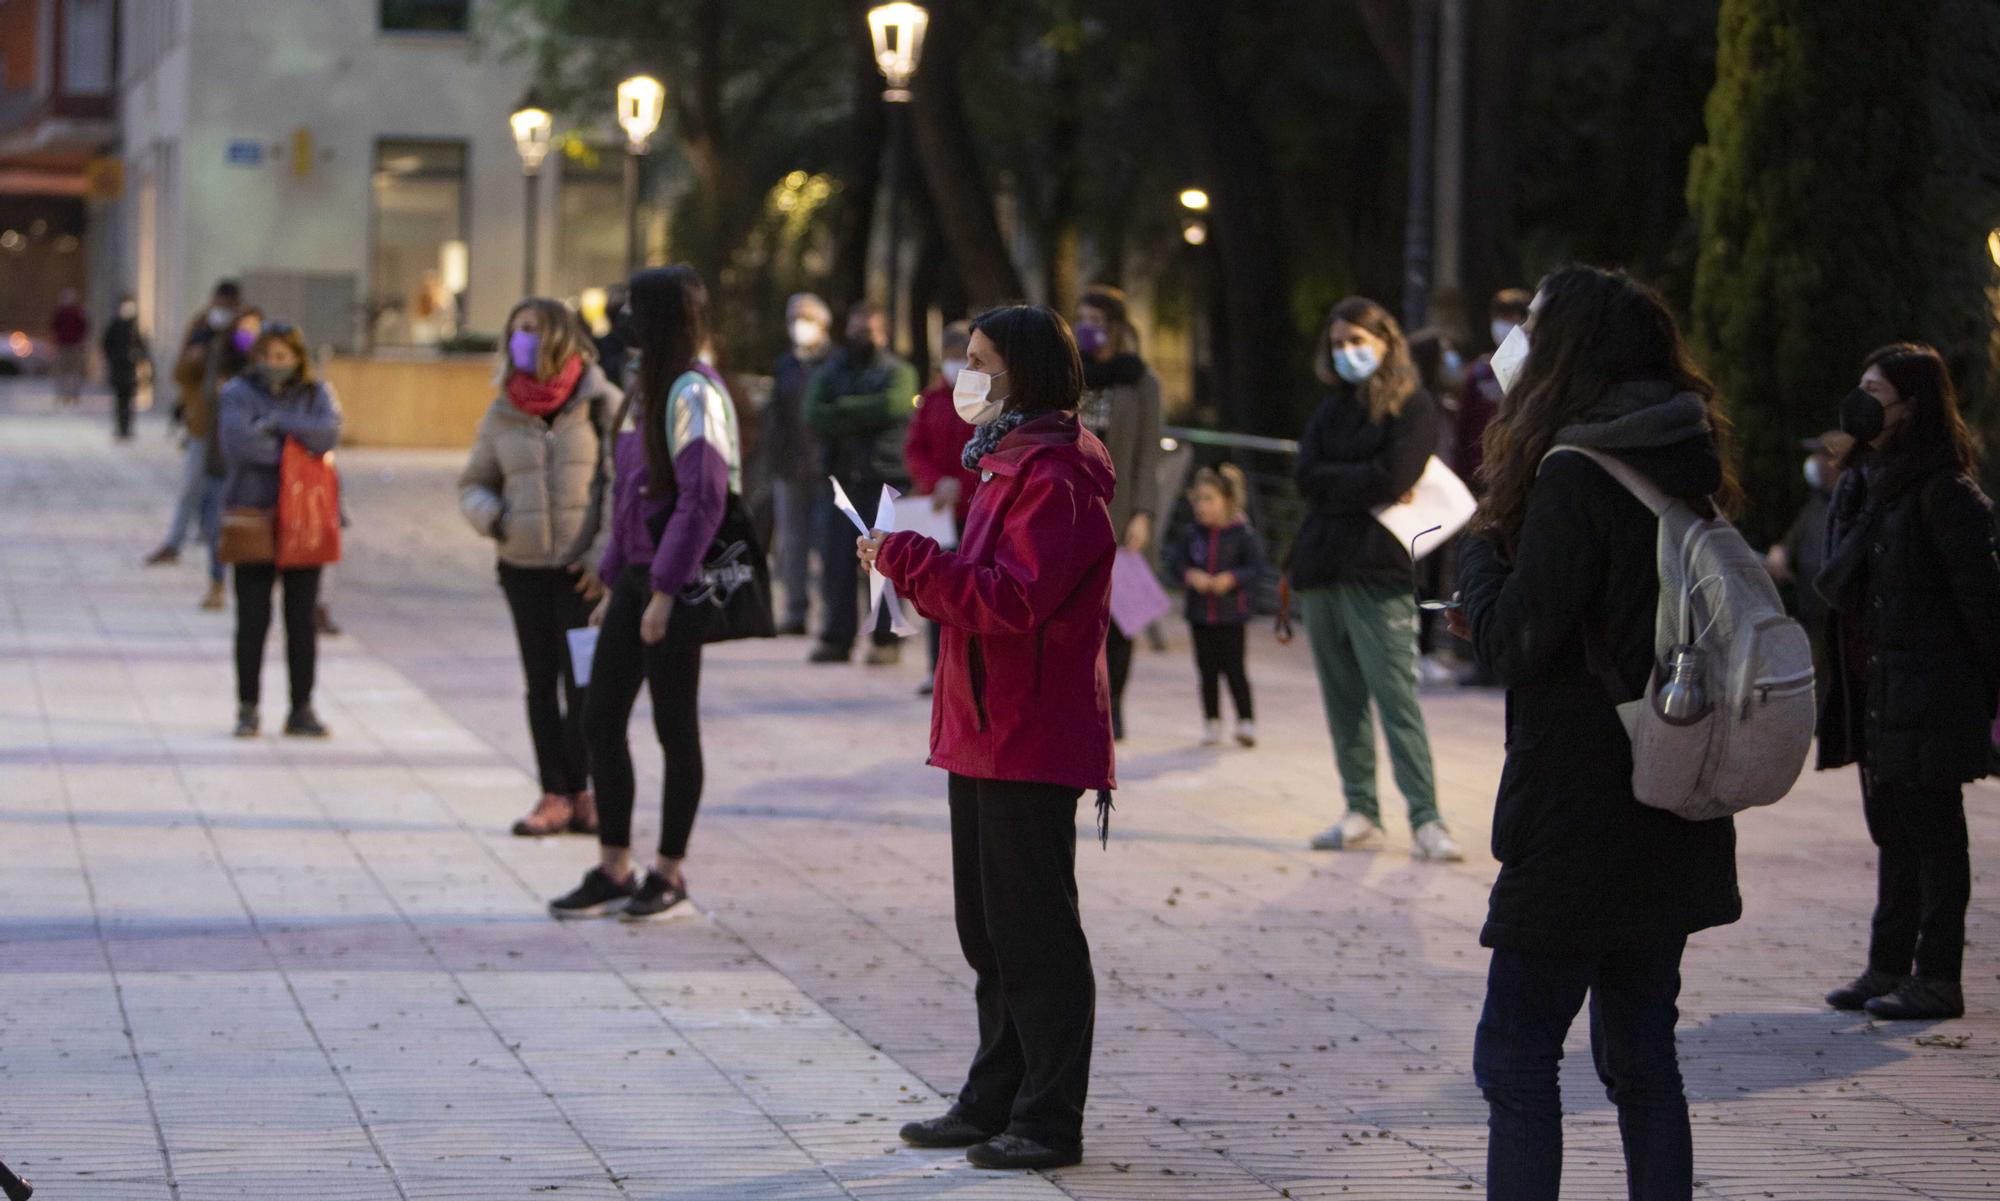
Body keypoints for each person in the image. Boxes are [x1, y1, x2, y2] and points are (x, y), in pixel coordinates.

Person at [1454, 265, 1745, 1201]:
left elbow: (1518, 638)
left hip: (1577, 804)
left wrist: (1477, 551)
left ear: (1566, 351)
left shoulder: (1573, 474)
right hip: (1673, 789)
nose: (1515, 347)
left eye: (1531, 328)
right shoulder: (1685, 459)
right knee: (1643, 1061)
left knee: (1516, 1059)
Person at [859, 303, 1114, 1172]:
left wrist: (911, 562)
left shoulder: (1058, 474)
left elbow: (1012, 598)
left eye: (979, 361)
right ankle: (994, 1093)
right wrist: (905, 558)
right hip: (981, 724)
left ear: (1024, 374)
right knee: (988, 929)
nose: (963, 375)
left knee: (1035, 929)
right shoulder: (1004, 461)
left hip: (1030, 731)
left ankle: (1049, 1115)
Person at [548, 264, 738, 923]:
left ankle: (669, 871)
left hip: (675, 584)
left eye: (633, 309)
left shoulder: (693, 392)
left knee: (673, 726)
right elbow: (633, 495)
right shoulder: (643, 388)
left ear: (662, 318)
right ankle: (614, 865)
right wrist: (611, 576)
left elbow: (703, 498)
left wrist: (663, 590)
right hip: (636, 577)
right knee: (600, 716)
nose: (622, 320)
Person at [1816, 342, 2000, 1022]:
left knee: (1935, 836)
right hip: (1878, 687)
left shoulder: (1946, 494)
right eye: (1859, 384)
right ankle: (1888, 964)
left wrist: (1984, 696)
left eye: (1876, 390)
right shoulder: (1867, 483)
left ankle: (1939, 976)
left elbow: (1983, 607)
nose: (1860, 401)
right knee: (1892, 830)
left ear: (1912, 405)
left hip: (1931, 689)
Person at [1292, 297, 1463, 863]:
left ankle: (1426, 817)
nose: (1347, 353)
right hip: (1322, 569)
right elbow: (1305, 478)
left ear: (1386, 342)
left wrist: (1346, 482)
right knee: (1342, 700)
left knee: (1396, 698)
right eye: (1338, 343)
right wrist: (1362, 483)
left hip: (1378, 570)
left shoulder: (1413, 407)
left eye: (1357, 341)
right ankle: (1360, 807)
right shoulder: (1328, 409)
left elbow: (1395, 474)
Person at [459, 298, 621, 838]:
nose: (520, 340)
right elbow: (472, 483)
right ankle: (553, 793)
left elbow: (622, 486)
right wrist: (494, 517)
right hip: (523, 568)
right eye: (515, 330)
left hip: (583, 573)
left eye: (531, 330)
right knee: (539, 682)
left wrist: (603, 556)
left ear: (558, 337)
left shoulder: (601, 403)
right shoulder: (503, 409)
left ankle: (586, 792)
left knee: (586, 685)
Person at [218, 321, 343, 738]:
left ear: (296, 359)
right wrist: (297, 443)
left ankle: (300, 708)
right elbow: (240, 444)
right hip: (254, 515)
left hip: (304, 517)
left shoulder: (316, 392)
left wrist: (274, 422)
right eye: (268, 356)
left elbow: (329, 433)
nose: (275, 364)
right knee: (252, 619)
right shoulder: (238, 392)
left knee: (301, 619)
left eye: (282, 357)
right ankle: (248, 706)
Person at [804, 301, 917, 665]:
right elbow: (812, 414)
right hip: (840, 481)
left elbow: (892, 406)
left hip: (884, 478)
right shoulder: (831, 370)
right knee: (835, 562)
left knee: (885, 562)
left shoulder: (899, 371)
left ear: (882, 334)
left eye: (867, 331)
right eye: (855, 330)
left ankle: (886, 639)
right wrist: (861, 412)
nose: (860, 337)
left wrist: (842, 409)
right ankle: (837, 639)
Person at [1074, 285, 1162, 739]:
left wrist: (1144, 513)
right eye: (1082, 318)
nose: (1089, 329)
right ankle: (1079, 703)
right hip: (1070, 508)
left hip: (1120, 508)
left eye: (1098, 320)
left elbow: (1148, 455)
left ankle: (1112, 705)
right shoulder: (1069, 376)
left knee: (1120, 617)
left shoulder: (1141, 381)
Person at [1164, 463, 1267, 747]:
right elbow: (1174, 562)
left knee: (1234, 669)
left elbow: (1256, 567)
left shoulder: (1243, 534)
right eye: (1198, 499)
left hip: (1232, 615)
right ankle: (1211, 722)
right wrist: (1189, 575)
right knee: (1206, 671)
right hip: (1199, 615)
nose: (1201, 506)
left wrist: (1231, 578)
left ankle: (1246, 721)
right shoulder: (1192, 533)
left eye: (1208, 499)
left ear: (1227, 501)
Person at [902, 320, 980, 694]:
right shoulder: (931, 400)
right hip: (937, 512)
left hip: (974, 512)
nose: (954, 366)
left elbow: (988, 455)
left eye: (960, 358)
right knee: (936, 592)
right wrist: (936, 483)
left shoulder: (982, 403)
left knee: (972, 592)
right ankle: (937, 668)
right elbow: (915, 450)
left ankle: (971, 671)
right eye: (948, 358)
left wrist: (961, 486)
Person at [1764, 429, 1852, 707]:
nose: (1812, 461)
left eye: (1820, 455)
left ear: (1836, 462)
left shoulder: (1853, 505)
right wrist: (1781, 552)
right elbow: (1793, 538)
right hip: (1812, 612)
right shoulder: (1816, 503)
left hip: (1841, 619)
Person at [765, 292, 833, 636]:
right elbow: (776, 415)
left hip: (826, 469)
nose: (798, 325)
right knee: (791, 543)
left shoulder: (835, 363)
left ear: (823, 323)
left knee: (828, 542)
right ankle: (795, 611)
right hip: (789, 465)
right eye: (793, 317)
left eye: (805, 317)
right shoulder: (786, 364)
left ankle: (832, 615)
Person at [1410, 326, 1468, 686]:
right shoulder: (1418, 403)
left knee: (1431, 575)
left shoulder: (1441, 403)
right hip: (1421, 503)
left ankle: (1426, 648)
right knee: (1420, 576)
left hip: (1439, 502)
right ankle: (1419, 648)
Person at [1456, 288, 1530, 487]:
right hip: (1479, 470)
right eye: (1499, 318)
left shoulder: (1535, 371)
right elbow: (1464, 427)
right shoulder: (1480, 371)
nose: (1502, 325)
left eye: (1509, 318)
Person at [101, 294, 150, 441]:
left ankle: (127, 427)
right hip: (118, 367)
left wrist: (139, 357)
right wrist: (113, 357)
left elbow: (142, 345)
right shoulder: (115, 324)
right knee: (120, 398)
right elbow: (106, 343)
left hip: (131, 368)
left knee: (129, 399)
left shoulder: (136, 326)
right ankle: (120, 427)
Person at [51, 288, 88, 406]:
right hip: (62, 346)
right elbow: (54, 327)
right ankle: (62, 395)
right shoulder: (60, 313)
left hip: (74, 346)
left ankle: (73, 395)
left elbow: (84, 328)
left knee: (73, 372)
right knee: (63, 372)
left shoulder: (77, 313)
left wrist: (81, 342)